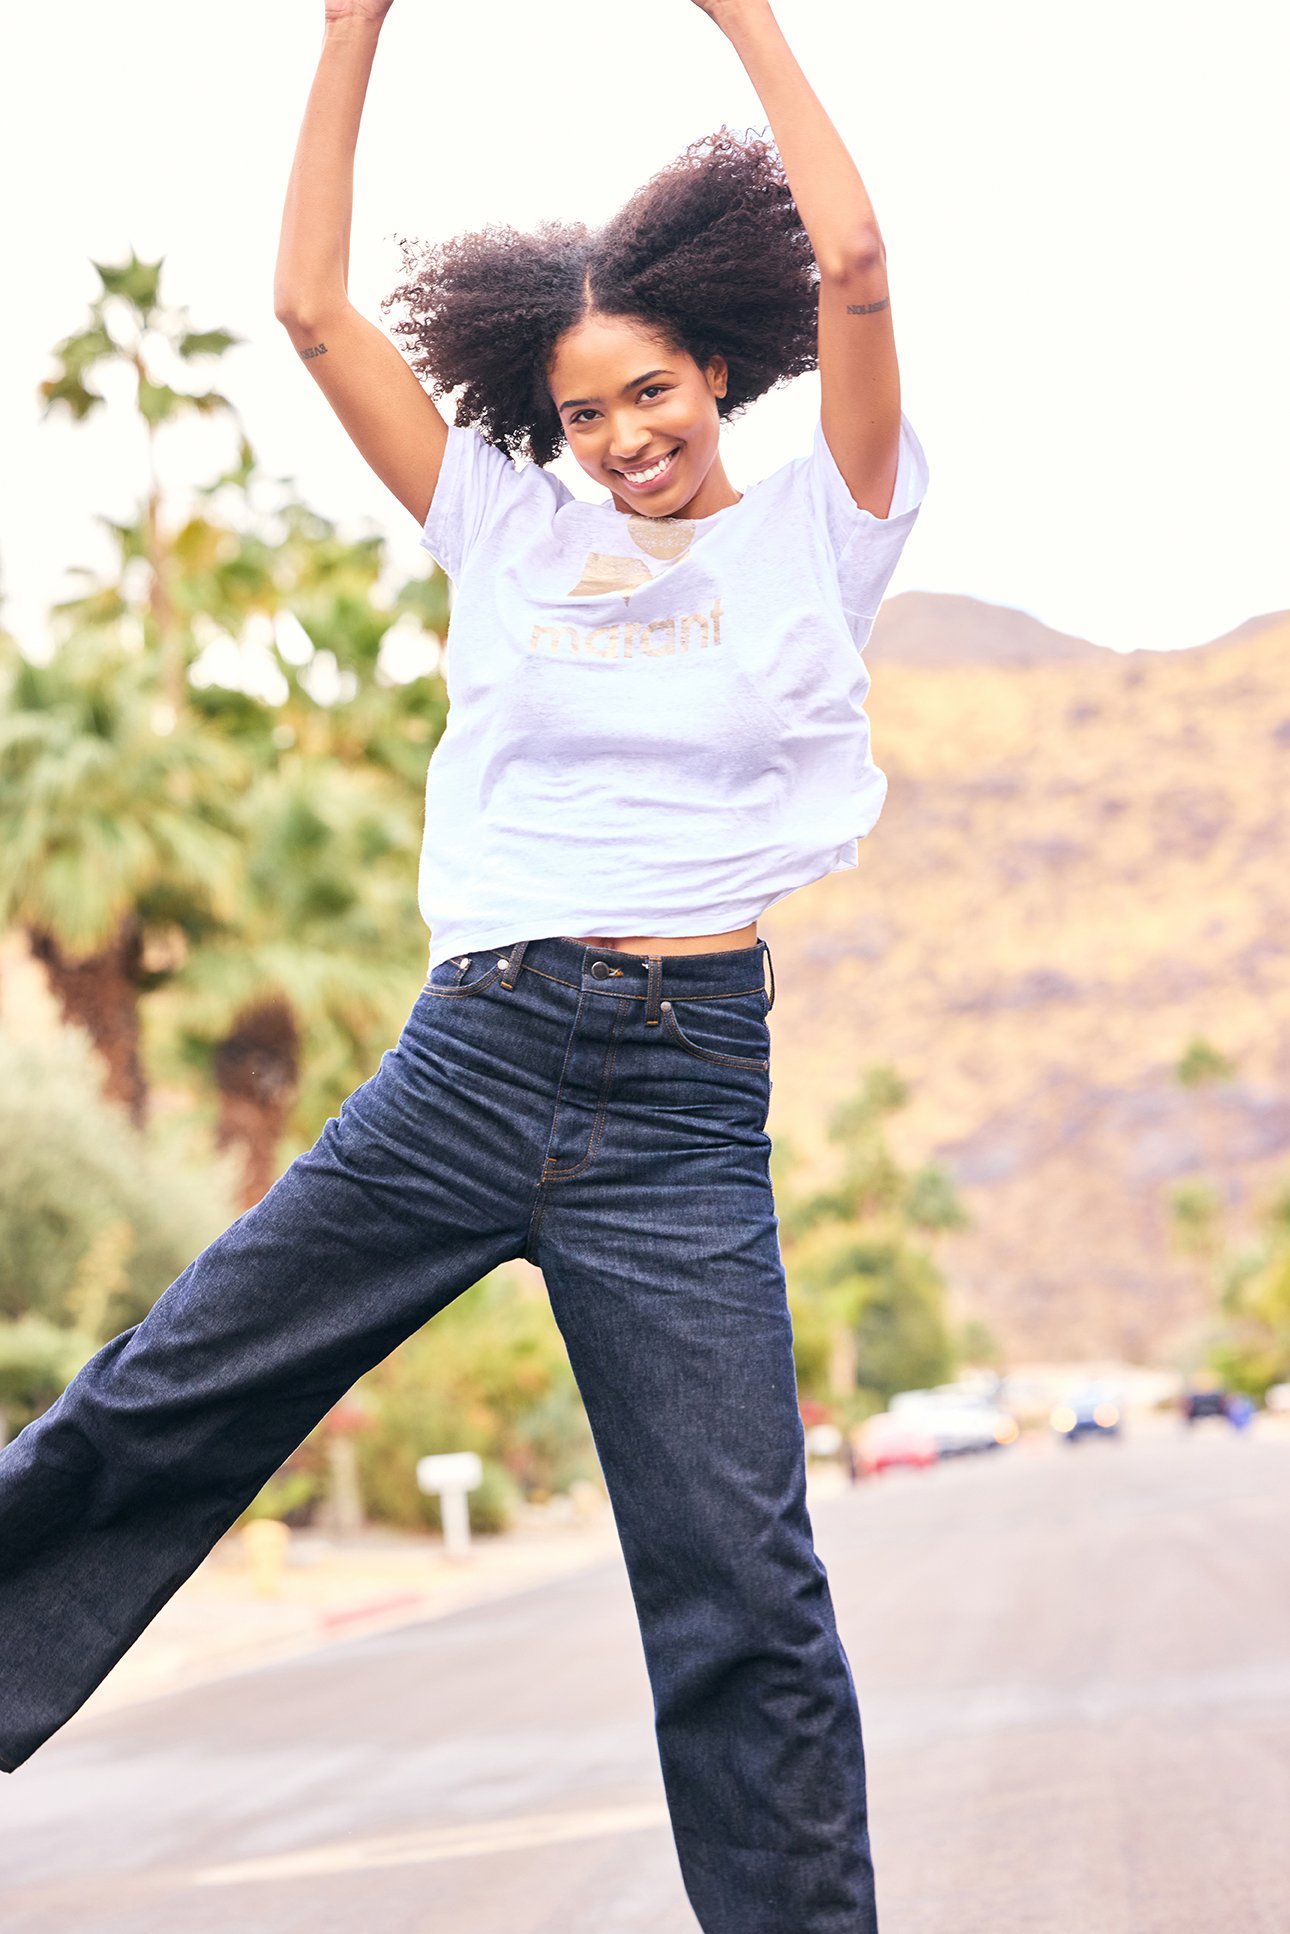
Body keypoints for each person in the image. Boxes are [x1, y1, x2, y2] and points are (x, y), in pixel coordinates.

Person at [0, 1, 928, 1927]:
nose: (624, 439)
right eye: (585, 413)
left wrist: (741, 16)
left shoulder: (827, 525)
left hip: (681, 1098)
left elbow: (853, 258)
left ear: (717, 367)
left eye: (651, 394)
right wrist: (353, 23)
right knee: (166, 1392)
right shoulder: (500, 525)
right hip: (474, 1059)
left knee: (738, 1586)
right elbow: (309, 310)